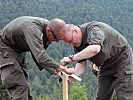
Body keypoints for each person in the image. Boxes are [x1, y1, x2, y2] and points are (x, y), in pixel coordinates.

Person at [0, 16, 74, 100]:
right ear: (48, 30)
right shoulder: (33, 30)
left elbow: (38, 53)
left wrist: (55, 71)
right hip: (5, 49)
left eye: (59, 39)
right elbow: (40, 56)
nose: (56, 42)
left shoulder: (48, 29)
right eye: (56, 38)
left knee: (25, 87)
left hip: (19, 50)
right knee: (19, 87)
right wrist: (63, 69)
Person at [60, 22, 133, 100]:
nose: (71, 44)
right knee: (101, 97)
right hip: (105, 65)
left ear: (75, 31)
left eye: (71, 41)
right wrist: (74, 75)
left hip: (122, 61)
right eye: (69, 43)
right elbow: (81, 63)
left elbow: (95, 48)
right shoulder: (77, 43)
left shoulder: (94, 30)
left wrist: (71, 58)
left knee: (124, 96)